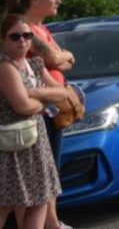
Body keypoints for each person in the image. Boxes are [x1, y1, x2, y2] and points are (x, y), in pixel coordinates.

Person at [5, 0, 74, 229]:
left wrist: (58, 63)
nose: (23, 40)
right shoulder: (20, 30)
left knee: (43, 184)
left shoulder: (39, 32)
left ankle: (53, 224)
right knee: (21, 192)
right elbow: (56, 58)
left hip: (43, 117)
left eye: (26, 37)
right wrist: (44, 94)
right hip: (23, 125)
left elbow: (64, 62)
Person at [0, 14, 63, 229]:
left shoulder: (34, 64)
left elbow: (61, 92)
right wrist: (43, 102)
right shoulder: (4, 67)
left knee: (39, 199)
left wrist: (33, 92)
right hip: (10, 147)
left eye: (27, 35)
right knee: (6, 204)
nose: (22, 41)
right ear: (3, 39)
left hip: (36, 142)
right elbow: (22, 106)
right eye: (15, 36)